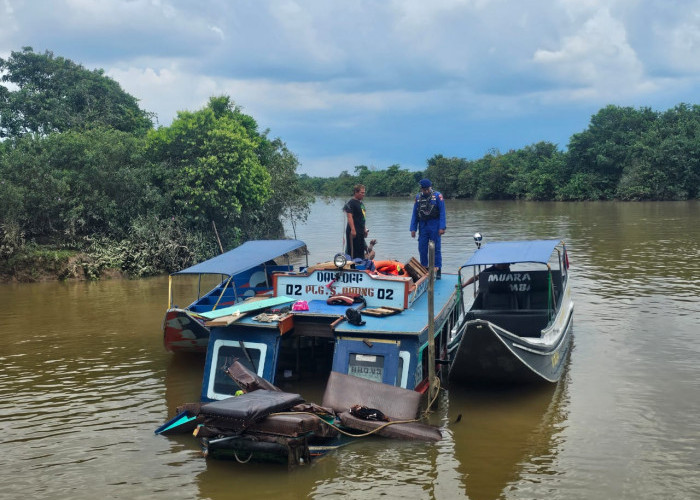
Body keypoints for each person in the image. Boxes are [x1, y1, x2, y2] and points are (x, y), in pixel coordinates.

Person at [410, 179, 446, 279]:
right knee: (422, 248)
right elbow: (415, 214)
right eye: (424, 189)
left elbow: (442, 212)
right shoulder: (418, 197)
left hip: (435, 224)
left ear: (430, 187)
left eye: (427, 189)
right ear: (421, 189)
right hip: (423, 225)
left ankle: (438, 269)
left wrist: (442, 227)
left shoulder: (438, 196)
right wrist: (413, 229)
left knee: (436, 248)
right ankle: (424, 268)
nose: (425, 191)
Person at [344, 184, 368, 259]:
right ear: (356, 192)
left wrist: (364, 229)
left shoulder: (361, 203)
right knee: (353, 251)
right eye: (362, 193)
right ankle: (352, 266)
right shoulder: (351, 203)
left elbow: (362, 217)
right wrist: (353, 230)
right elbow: (349, 217)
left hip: (360, 230)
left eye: (364, 192)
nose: (363, 194)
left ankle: (360, 265)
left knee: (360, 250)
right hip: (354, 230)